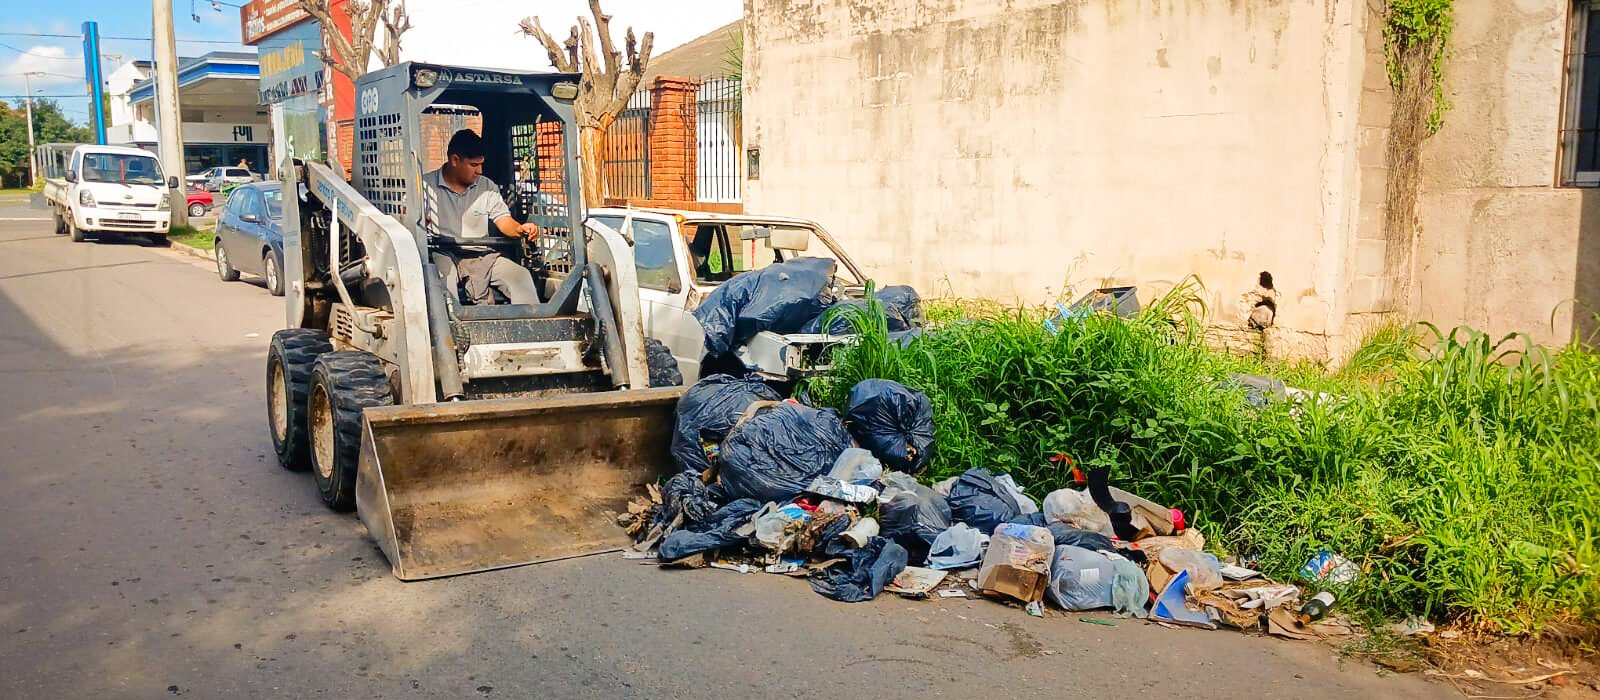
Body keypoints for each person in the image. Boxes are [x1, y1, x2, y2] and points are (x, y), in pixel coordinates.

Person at [423, 130, 542, 305]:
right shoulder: (425, 186)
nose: (479, 171)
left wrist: (520, 229)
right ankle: (451, 323)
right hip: (442, 253)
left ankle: (532, 322)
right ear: (454, 160)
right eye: (473, 165)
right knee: (445, 283)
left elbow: (504, 220)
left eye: (481, 164)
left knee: (521, 277)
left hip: (482, 255)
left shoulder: (487, 186)